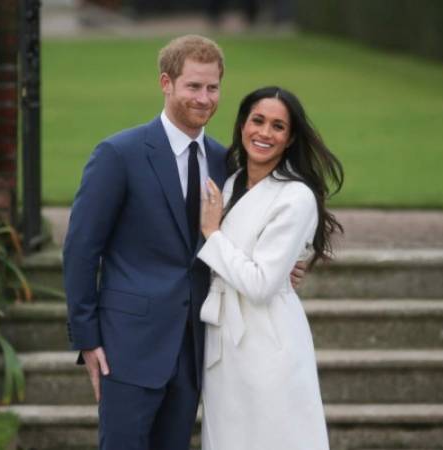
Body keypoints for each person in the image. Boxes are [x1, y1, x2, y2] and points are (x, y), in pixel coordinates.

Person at [63, 36, 305, 450]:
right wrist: (88, 340)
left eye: (212, 87)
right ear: (166, 83)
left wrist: (278, 265)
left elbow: (233, 238)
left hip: (196, 347)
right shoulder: (119, 154)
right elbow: (81, 250)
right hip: (128, 346)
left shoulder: (225, 161)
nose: (204, 98)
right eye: (193, 86)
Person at [197, 86, 344, 450]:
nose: (265, 133)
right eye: (258, 121)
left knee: (275, 437)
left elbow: (262, 283)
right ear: (242, 124)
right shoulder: (231, 183)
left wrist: (212, 234)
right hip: (223, 339)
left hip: (268, 340)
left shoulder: (295, 197)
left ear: (290, 137)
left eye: (278, 126)